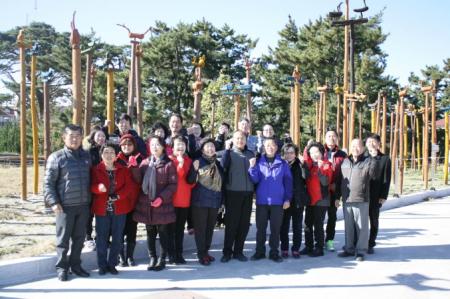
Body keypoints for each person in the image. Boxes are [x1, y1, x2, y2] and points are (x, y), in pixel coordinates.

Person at [44, 124, 92, 281]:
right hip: (64, 207)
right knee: (63, 240)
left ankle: (76, 265)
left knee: (79, 239)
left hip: (84, 205)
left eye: (78, 135)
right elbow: (48, 183)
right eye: (71, 135)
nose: (75, 138)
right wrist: (53, 202)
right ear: (64, 137)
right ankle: (61, 268)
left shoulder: (86, 156)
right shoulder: (56, 157)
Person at [90, 143, 137, 275]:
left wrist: (118, 196)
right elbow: (91, 186)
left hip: (119, 209)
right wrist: (98, 188)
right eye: (106, 152)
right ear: (101, 155)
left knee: (117, 238)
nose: (109, 155)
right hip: (101, 209)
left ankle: (112, 264)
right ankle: (102, 265)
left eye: (111, 152)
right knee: (102, 238)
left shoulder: (123, 169)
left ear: (116, 155)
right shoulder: (95, 169)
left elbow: (129, 188)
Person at [133, 135, 177, 271]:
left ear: (163, 147)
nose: (154, 147)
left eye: (157, 144)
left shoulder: (169, 164)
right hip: (147, 205)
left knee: (163, 233)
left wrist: (162, 198)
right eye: (152, 145)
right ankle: (152, 257)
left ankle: (162, 259)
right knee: (150, 232)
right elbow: (138, 180)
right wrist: (134, 167)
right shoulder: (145, 163)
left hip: (162, 205)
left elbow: (172, 185)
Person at [248, 137, 293, 262]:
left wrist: (287, 199)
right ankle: (259, 252)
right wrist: (252, 168)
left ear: (276, 147)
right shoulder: (259, 162)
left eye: (272, 145)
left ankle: (274, 252)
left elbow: (288, 182)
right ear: (264, 147)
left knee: (275, 229)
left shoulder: (283, 163)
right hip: (262, 201)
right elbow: (255, 180)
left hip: (278, 202)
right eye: (267, 145)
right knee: (261, 229)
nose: (270, 147)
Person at [337, 138, 378, 262]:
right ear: (349, 147)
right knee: (348, 226)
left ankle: (360, 251)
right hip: (346, 199)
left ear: (363, 148)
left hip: (361, 198)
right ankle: (349, 248)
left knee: (361, 227)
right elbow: (340, 180)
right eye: (353, 145)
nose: (355, 148)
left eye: (358, 145)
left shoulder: (368, 161)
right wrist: (337, 197)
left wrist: (374, 158)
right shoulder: (344, 161)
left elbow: (373, 175)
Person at [187, 138, 224, 266]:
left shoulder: (218, 163)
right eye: (207, 146)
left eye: (212, 146)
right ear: (202, 149)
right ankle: (201, 254)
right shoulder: (198, 161)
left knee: (209, 229)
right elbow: (190, 181)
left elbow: (221, 184)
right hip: (199, 202)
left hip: (214, 202)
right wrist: (194, 169)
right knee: (201, 229)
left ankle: (206, 252)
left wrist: (221, 202)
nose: (210, 148)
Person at [220, 131, 255, 263]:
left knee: (244, 224)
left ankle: (238, 251)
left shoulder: (251, 154)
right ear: (233, 140)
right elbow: (222, 168)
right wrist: (226, 150)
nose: (240, 140)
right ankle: (227, 252)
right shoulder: (228, 153)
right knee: (231, 224)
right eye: (237, 138)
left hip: (248, 193)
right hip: (232, 192)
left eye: (242, 138)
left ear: (246, 140)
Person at [301, 142, 333, 257]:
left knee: (318, 224)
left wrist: (320, 169)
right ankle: (308, 246)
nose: (314, 154)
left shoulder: (326, 164)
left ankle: (319, 247)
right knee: (307, 224)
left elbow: (325, 182)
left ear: (321, 152)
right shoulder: (309, 165)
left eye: (317, 152)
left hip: (321, 199)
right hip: (310, 199)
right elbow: (304, 178)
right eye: (312, 152)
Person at [115, 134, 143, 267]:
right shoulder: (115, 160)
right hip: (120, 201)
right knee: (119, 230)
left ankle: (130, 256)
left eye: (129, 144)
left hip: (134, 201)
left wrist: (135, 167)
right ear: (120, 146)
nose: (127, 147)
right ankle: (121, 257)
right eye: (124, 145)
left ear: (134, 146)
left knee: (132, 230)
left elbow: (140, 180)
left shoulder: (140, 159)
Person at [168, 135, 195, 264]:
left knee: (180, 230)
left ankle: (179, 253)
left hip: (184, 200)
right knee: (171, 230)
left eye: (183, 144)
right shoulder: (168, 160)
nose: (180, 147)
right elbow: (178, 176)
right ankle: (171, 254)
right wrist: (180, 164)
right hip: (171, 200)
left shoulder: (189, 160)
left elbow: (192, 182)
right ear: (172, 147)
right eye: (178, 144)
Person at [280, 143, 309, 259]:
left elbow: (306, 177)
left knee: (297, 226)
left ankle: (296, 248)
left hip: (298, 200)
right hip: (285, 200)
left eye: (292, 153)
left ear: (296, 154)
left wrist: (303, 164)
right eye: (286, 153)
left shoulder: (300, 164)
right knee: (284, 226)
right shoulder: (281, 165)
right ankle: (284, 248)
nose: (289, 155)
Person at [366, 134, 391, 254]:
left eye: (374, 141)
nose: (371, 143)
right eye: (369, 141)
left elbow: (386, 179)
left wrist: (383, 196)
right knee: (361, 221)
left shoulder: (385, 158)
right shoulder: (362, 156)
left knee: (374, 220)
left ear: (379, 143)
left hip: (376, 196)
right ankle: (360, 242)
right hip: (362, 195)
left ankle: (371, 243)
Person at [83, 127, 107, 249]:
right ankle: (88, 237)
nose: (101, 138)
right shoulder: (88, 152)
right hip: (90, 185)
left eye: (103, 136)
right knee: (89, 213)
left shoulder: (108, 151)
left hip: (104, 187)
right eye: (99, 136)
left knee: (102, 213)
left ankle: (101, 237)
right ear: (93, 137)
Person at [323, 130, 347, 252]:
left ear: (337, 138)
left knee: (332, 218)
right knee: (318, 217)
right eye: (329, 136)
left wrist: (338, 195)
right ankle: (319, 239)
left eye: (334, 136)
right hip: (320, 191)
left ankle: (330, 241)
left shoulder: (342, 155)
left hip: (334, 191)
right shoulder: (320, 151)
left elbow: (344, 175)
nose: (331, 138)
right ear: (325, 138)